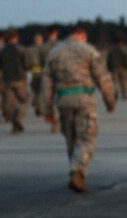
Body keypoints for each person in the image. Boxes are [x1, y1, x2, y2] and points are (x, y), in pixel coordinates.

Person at [41, 24, 116, 193]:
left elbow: (47, 84)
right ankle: (79, 172)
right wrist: (110, 101)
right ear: (82, 36)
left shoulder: (55, 53)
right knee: (87, 138)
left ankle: (75, 171)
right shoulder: (88, 51)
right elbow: (102, 77)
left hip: (64, 100)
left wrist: (47, 109)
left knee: (71, 138)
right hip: (85, 99)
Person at [0, 30, 29, 133]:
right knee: (24, 101)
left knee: (10, 104)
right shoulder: (21, 49)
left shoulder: (2, 51)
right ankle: (18, 118)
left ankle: (14, 125)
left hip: (7, 80)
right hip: (19, 79)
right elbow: (26, 64)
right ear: (16, 38)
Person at [107, 35, 127, 102]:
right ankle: (124, 95)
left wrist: (109, 68)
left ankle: (116, 93)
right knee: (124, 83)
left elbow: (108, 60)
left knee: (115, 82)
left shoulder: (111, 50)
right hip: (123, 69)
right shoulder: (124, 49)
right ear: (121, 41)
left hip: (114, 69)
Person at [25, 33, 45, 116]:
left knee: (37, 91)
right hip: (39, 72)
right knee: (39, 91)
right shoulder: (44, 49)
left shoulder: (30, 50)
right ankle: (38, 105)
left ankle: (38, 105)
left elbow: (27, 63)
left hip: (35, 71)